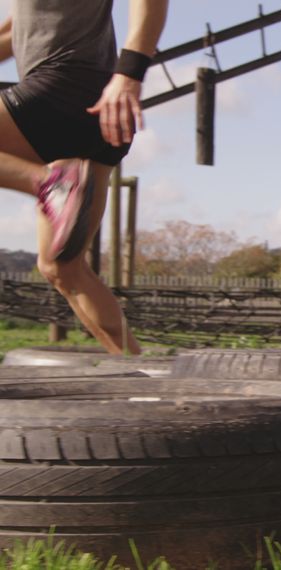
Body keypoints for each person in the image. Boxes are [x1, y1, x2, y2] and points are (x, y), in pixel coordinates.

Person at [0, 0, 168, 355]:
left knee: (63, 260)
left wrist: (129, 72)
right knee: (62, 268)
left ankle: (50, 184)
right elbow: (16, 31)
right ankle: (138, 379)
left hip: (65, 89)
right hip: (95, 114)